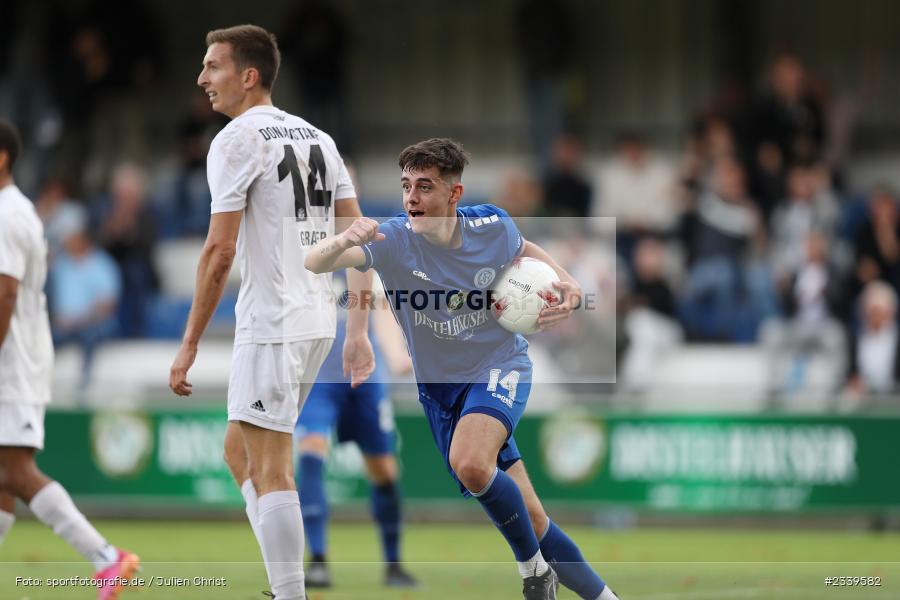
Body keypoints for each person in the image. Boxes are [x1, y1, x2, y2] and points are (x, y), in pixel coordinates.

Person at [305, 138, 620, 600]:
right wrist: (343, 244)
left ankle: (533, 572)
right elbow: (317, 262)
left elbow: (523, 247)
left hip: (499, 363)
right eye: (406, 186)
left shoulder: (491, 224)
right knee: (532, 517)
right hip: (441, 393)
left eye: (425, 187)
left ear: (454, 195)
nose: (411, 197)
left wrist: (566, 281)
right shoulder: (393, 239)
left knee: (471, 463)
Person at [168, 25, 374, 600]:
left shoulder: (237, 140)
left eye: (213, 66)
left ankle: (291, 594)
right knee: (240, 451)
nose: (203, 78)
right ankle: (286, 584)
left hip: (273, 321)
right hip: (316, 321)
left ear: (248, 75)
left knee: (272, 467)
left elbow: (219, 249)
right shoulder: (320, 139)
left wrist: (188, 343)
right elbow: (360, 240)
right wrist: (357, 332)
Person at [0, 119, 139, 599]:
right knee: (2, 472)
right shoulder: (16, 212)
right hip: (20, 352)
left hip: (10, 359)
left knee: (14, 469)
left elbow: (4, 294)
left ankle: (106, 557)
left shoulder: (7, 214)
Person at [294, 273, 418, 589]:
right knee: (310, 455)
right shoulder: (305, 258)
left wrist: (395, 354)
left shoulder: (362, 261)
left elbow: (381, 311)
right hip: (320, 379)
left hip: (366, 379)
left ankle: (394, 565)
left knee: (385, 472)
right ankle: (318, 560)